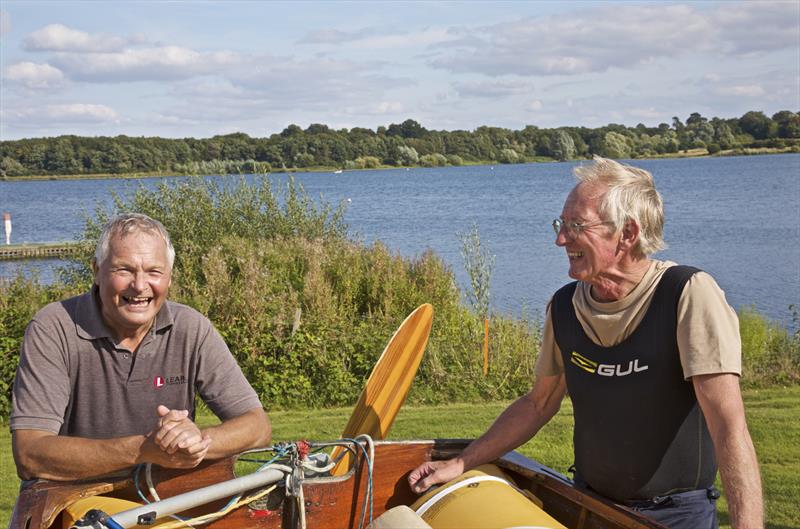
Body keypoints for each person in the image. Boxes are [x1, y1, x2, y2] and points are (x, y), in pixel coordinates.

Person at [409, 157, 763, 529]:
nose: (560, 238)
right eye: (561, 224)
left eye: (576, 226)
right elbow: (538, 403)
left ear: (627, 233)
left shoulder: (685, 294)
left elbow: (728, 424)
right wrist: (463, 462)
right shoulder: (564, 307)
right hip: (591, 506)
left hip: (675, 516)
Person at [11, 213, 271, 483]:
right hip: (75, 505)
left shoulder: (191, 327)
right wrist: (143, 450)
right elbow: (30, 453)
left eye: (153, 272)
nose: (139, 285)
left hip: (167, 503)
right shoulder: (53, 327)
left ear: (168, 278)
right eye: (124, 270)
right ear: (97, 271)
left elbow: (257, 426)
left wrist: (196, 441)